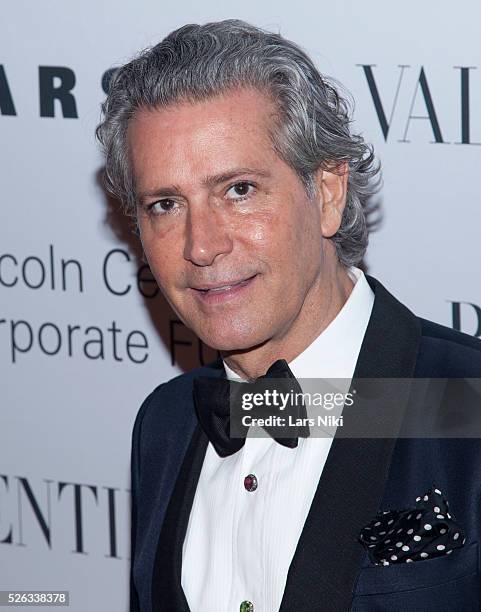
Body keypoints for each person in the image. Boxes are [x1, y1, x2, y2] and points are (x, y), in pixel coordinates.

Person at [96, 19, 481, 612]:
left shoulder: (469, 403)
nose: (202, 245)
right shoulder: (166, 426)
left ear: (327, 192)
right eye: (166, 204)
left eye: (239, 190)